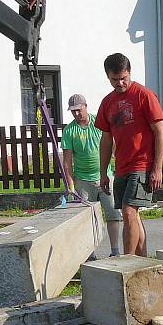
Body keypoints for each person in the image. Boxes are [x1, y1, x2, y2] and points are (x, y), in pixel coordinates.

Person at [96, 53, 163, 257]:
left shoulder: (144, 95)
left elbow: (160, 132)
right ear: (108, 77)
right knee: (132, 217)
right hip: (122, 167)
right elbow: (106, 140)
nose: (120, 83)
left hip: (143, 164)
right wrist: (103, 173)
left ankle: (127, 262)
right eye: (114, 79)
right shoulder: (107, 102)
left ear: (129, 73)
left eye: (123, 78)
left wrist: (157, 168)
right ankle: (143, 261)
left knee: (128, 212)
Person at [61, 93, 122, 257]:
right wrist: (71, 183)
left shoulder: (99, 122)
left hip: (105, 176)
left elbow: (113, 143)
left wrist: (115, 162)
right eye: (73, 111)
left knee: (113, 214)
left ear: (86, 107)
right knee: (87, 218)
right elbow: (67, 160)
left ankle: (115, 250)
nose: (76, 114)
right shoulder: (69, 131)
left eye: (79, 110)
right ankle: (90, 254)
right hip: (83, 180)